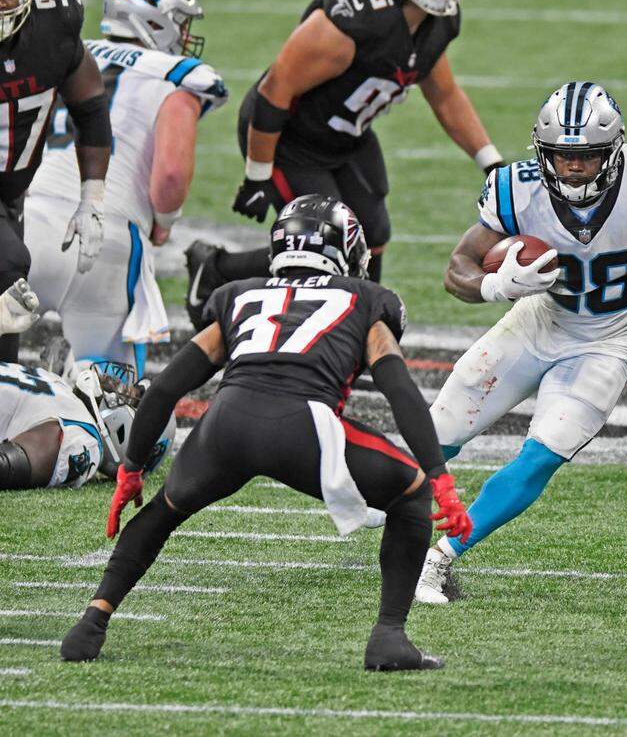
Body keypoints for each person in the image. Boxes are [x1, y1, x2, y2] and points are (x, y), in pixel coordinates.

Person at [60, 195, 472, 670]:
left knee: (163, 511)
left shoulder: (239, 295)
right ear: (346, 250)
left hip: (225, 425)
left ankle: (91, 621)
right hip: (303, 426)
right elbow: (400, 390)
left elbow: (166, 387)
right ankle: (389, 638)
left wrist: (131, 469)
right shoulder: (365, 300)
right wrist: (439, 477)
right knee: (411, 495)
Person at [414, 82, 627, 604]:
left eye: (587, 156)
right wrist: (497, 286)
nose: (573, 168)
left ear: (613, 150)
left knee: (541, 454)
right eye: (562, 156)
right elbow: (456, 269)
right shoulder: (515, 187)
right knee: (440, 431)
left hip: (608, 342)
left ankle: (438, 561)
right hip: (538, 323)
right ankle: (386, 507)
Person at [184, 0, 501, 328]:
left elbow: (444, 94)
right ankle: (219, 270)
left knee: (373, 232)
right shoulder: (360, 15)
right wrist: (257, 174)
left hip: (347, 137)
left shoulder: (437, 24)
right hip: (290, 138)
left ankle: (359, 328)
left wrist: (491, 163)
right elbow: (275, 91)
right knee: (321, 240)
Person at [25, 0, 227, 375]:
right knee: (113, 390)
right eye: (180, 23)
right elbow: (170, 175)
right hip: (106, 236)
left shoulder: (67, 54)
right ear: (153, 20)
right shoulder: (179, 77)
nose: (185, 35)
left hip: (27, 223)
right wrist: (164, 221)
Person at [0, 0, 112, 362]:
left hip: (12, 192)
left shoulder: (53, 27)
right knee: (9, 271)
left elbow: (91, 109)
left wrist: (92, 200)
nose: (0, 7)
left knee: (6, 336)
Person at [0, 354, 174, 491]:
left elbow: (7, 466)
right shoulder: (66, 391)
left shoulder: (83, 439)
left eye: (130, 395)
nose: (117, 383)